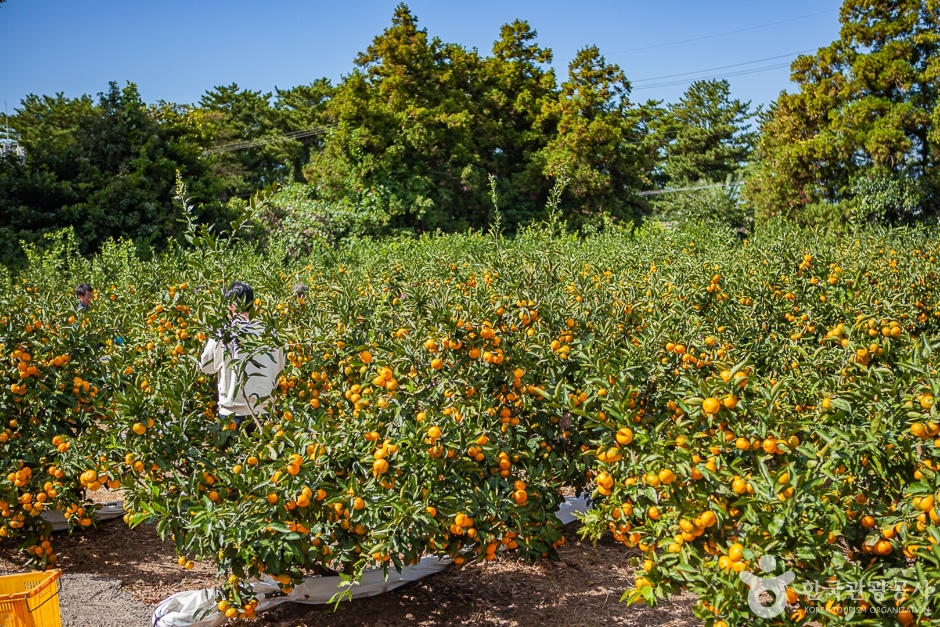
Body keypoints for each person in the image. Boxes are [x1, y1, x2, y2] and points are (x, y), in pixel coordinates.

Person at [199, 281, 285, 431]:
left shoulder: (224, 332)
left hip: (232, 416)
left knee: (231, 454)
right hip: (265, 414)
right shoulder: (270, 333)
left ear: (231, 306)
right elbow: (280, 367)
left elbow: (207, 367)